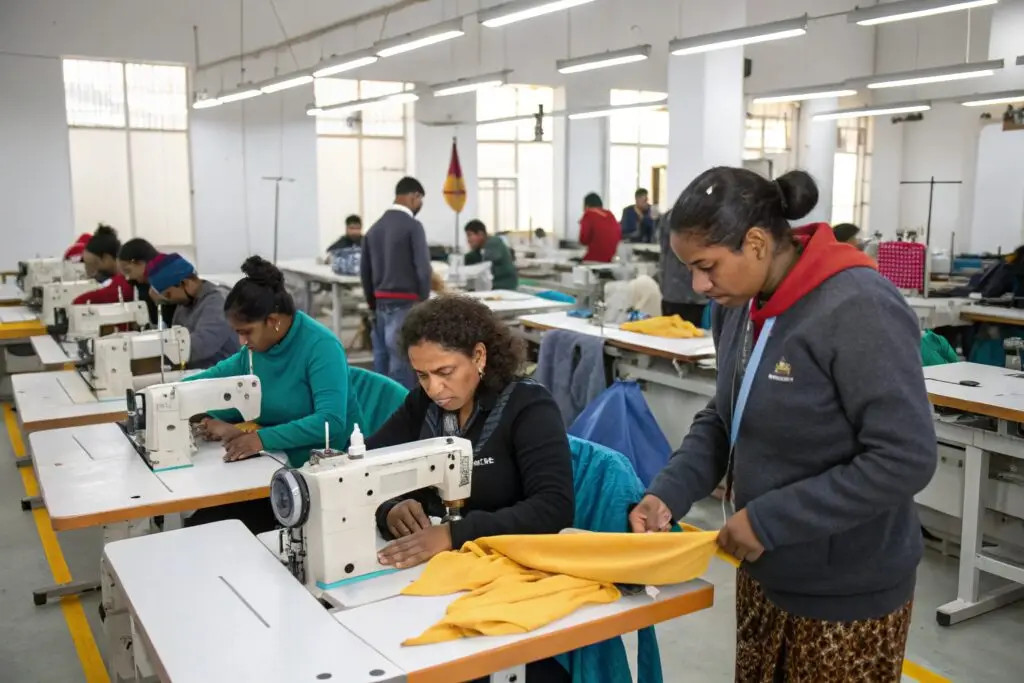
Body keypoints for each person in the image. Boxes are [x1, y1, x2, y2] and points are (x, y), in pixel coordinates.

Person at [629, 167, 936, 682]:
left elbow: (905, 458)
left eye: (706, 266)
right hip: (765, 572)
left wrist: (769, 520)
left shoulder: (858, 306)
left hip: (846, 595)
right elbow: (727, 414)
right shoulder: (739, 304)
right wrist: (668, 492)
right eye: (690, 270)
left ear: (755, 243)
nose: (699, 285)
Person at [368, 295, 574, 683]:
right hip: (439, 575)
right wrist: (390, 507)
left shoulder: (528, 406)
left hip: (507, 581)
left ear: (479, 356)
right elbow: (369, 467)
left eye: (445, 371)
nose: (434, 387)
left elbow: (553, 507)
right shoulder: (424, 405)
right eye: (422, 375)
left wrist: (454, 533)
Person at [183, 256, 359, 532]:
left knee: (216, 529)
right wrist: (168, 396)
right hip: (271, 464)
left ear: (273, 321)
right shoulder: (254, 352)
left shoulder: (321, 347)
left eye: (246, 332)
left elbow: (330, 421)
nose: (242, 342)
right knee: (202, 524)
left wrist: (259, 439)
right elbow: (212, 381)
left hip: (315, 476)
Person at [361, 176, 432, 389]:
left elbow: (365, 272)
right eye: (420, 200)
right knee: (402, 362)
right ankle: (402, 406)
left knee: (381, 361)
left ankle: (381, 406)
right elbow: (423, 268)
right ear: (414, 196)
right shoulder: (413, 226)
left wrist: (372, 304)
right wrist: (424, 300)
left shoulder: (373, 229)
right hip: (406, 304)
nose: (420, 205)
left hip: (380, 304)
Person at [145, 252, 239, 369]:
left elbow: (202, 344)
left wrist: (154, 355)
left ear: (185, 283)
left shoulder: (218, 301)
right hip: (201, 371)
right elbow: (176, 337)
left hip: (226, 373)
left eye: (168, 294)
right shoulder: (185, 305)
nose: (170, 300)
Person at [656, 210, 707, 326]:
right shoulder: (700, 216)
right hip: (691, 295)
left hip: (672, 291)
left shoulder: (668, 217)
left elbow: (663, 250)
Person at [117, 238, 176, 327]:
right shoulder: (141, 285)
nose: (128, 278)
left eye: (128, 271)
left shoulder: (171, 279)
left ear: (140, 263)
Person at [73, 225, 135, 305]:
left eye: (92, 266)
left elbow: (79, 302)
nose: (90, 274)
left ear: (106, 258)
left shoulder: (126, 280)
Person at [463, 219, 518, 291]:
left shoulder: (494, 243)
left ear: (480, 234)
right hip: (492, 286)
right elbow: (469, 258)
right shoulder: (480, 248)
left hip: (505, 287)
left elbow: (485, 266)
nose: (468, 240)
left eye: (469, 235)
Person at [579, 192, 621, 263]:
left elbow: (583, 240)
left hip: (594, 260)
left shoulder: (588, 214)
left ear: (586, 205)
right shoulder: (610, 214)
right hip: (611, 259)